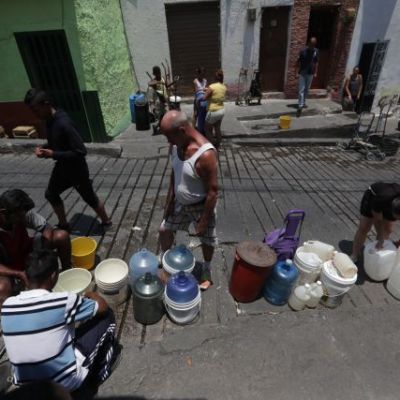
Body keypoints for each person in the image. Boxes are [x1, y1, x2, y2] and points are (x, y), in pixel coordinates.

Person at [1, 249, 119, 392]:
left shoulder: (7, 306)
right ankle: (96, 377)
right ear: (53, 276)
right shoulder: (63, 301)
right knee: (107, 317)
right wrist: (90, 293)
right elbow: (103, 307)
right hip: (63, 387)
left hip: (25, 388)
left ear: (26, 275)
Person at [24, 88, 112, 232]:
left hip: (77, 169)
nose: (35, 113)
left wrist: (53, 154)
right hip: (62, 168)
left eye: (36, 109)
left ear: (46, 104)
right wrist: (44, 148)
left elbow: (80, 151)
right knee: (50, 194)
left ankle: (106, 222)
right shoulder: (48, 120)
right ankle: (64, 224)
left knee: (89, 198)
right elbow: (56, 143)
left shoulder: (64, 123)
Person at [159, 111, 218, 290]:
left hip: (201, 206)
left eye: (170, 137)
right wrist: (169, 201)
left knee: (207, 240)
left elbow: (213, 192)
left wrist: (204, 221)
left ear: (182, 130)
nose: (169, 142)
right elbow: (174, 173)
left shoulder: (205, 155)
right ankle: (166, 260)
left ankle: (206, 270)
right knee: (164, 230)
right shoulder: (177, 145)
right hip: (179, 202)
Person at [0, 189, 71, 306]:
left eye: (24, 215)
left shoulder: (21, 212)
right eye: (19, 216)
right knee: (2, 287)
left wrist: (43, 253)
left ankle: (68, 272)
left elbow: (46, 228)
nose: (23, 219)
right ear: (3, 212)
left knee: (61, 236)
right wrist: (19, 274)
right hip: (8, 266)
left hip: (27, 251)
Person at [351, 182, 400, 262]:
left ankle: (378, 254)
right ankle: (354, 254)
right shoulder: (381, 199)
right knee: (364, 227)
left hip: (391, 200)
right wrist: (380, 237)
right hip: (372, 197)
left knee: (388, 229)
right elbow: (378, 221)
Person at [296, 37, 319, 117]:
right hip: (302, 73)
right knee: (301, 90)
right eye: (311, 45)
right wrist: (296, 72)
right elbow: (297, 62)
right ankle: (300, 105)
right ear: (308, 43)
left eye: (314, 45)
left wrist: (315, 72)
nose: (312, 46)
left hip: (310, 73)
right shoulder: (303, 51)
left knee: (306, 90)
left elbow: (316, 62)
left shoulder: (316, 51)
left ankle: (303, 102)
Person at [204, 69, 227, 149]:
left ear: (215, 77)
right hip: (221, 110)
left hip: (213, 111)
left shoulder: (212, 86)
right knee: (217, 129)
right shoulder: (224, 86)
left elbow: (204, 98)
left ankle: (213, 144)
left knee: (206, 128)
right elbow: (217, 93)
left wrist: (206, 91)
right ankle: (219, 145)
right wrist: (208, 91)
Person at [193, 67, 207, 132]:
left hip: (204, 99)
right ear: (198, 74)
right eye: (201, 74)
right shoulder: (195, 81)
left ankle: (202, 128)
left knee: (204, 114)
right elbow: (196, 92)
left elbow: (207, 90)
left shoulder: (205, 80)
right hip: (197, 99)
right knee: (196, 114)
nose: (202, 76)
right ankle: (193, 130)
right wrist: (196, 104)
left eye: (203, 74)